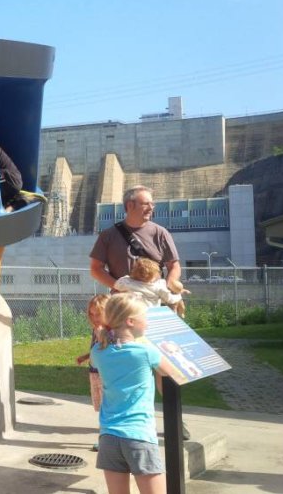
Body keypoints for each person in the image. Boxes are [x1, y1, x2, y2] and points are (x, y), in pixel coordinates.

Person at [90, 185, 190, 439]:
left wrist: (168, 285)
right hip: (119, 315)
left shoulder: (160, 233)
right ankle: (117, 423)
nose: (151, 208)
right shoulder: (109, 235)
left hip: (155, 315)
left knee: (164, 366)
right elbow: (95, 268)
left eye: (152, 203)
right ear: (130, 205)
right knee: (121, 367)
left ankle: (175, 421)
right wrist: (121, 288)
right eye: (146, 203)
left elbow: (174, 265)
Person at [91, 293, 180, 494]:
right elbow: (172, 371)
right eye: (145, 317)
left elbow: (102, 354)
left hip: (108, 436)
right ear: (130, 321)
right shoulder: (147, 352)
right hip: (139, 436)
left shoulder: (98, 351)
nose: (148, 322)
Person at [75, 294, 111, 451]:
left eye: (99, 314)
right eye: (92, 314)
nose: (95, 318)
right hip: (94, 373)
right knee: (100, 407)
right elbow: (96, 349)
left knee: (106, 408)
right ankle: (105, 438)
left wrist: (102, 335)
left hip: (104, 375)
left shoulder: (109, 331)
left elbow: (107, 350)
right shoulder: (96, 329)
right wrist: (86, 356)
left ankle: (106, 439)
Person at [114, 257, 189, 308]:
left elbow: (116, 285)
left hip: (131, 312)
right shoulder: (157, 287)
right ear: (152, 276)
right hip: (150, 313)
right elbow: (170, 299)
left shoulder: (126, 282)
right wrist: (178, 295)